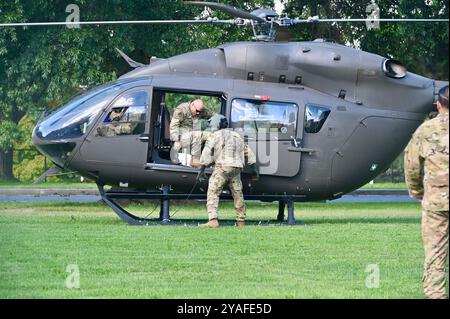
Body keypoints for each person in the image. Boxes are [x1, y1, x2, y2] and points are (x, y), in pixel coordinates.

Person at [404, 85, 449, 299]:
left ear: (438, 104)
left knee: (435, 255)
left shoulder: (425, 130)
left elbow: (412, 165)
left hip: (436, 204)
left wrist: (416, 191)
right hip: (436, 203)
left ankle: (436, 295)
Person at [196, 114, 259, 228]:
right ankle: (241, 220)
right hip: (236, 169)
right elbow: (248, 152)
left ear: (216, 124)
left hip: (222, 168)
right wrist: (254, 170)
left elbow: (206, 153)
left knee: (213, 192)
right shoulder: (237, 136)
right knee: (238, 194)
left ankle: (213, 220)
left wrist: (201, 170)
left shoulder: (214, 136)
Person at [169, 99, 214, 163]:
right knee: (203, 135)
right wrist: (176, 140)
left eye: (200, 111)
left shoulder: (199, 110)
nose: (198, 113)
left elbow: (212, 115)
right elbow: (174, 126)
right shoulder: (182, 109)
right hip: (182, 137)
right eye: (197, 111)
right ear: (192, 105)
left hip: (192, 138)